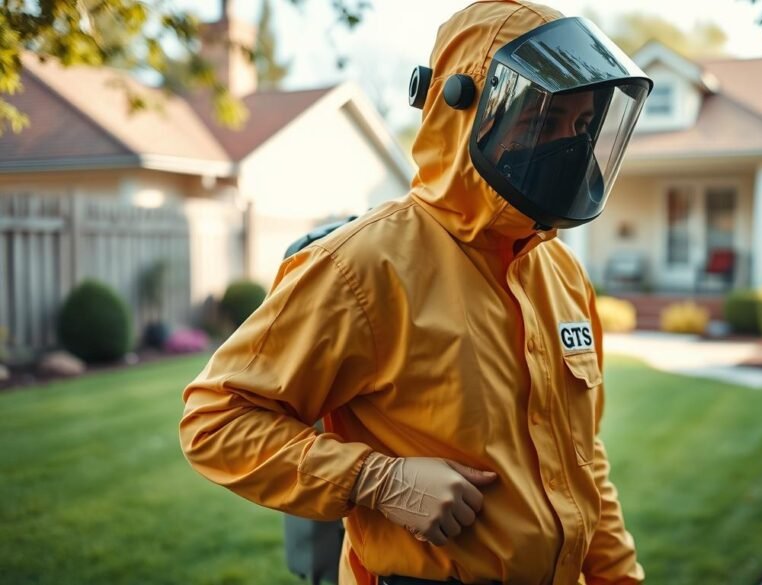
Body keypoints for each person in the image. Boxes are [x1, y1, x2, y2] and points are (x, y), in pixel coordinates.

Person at [179, 1, 651, 584]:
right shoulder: (363, 265)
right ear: (463, 110)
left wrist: (619, 579)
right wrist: (379, 481)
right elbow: (215, 421)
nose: (568, 145)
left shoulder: (561, 273)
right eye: (540, 123)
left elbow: (584, 462)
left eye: (580, 126)